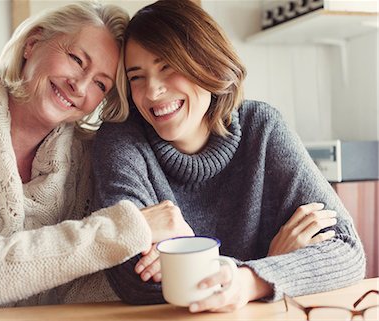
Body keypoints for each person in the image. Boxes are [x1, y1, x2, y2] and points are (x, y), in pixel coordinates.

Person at [92, 0, 366, 313]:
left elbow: (345, 250)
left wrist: (248, 280)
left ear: (208, 63)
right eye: (136, 76)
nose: (152, 91)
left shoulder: (261, 127)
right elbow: (133, 277)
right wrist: (270, 266)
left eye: (167, 67)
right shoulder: (121, 140)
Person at [0, 2, 194, 311]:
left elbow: (75, 284)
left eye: (100, 83)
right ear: (32, 44)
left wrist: (157, 260)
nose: (79, 85)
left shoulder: (86, 156)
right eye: (75, 59)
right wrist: (129, 229)